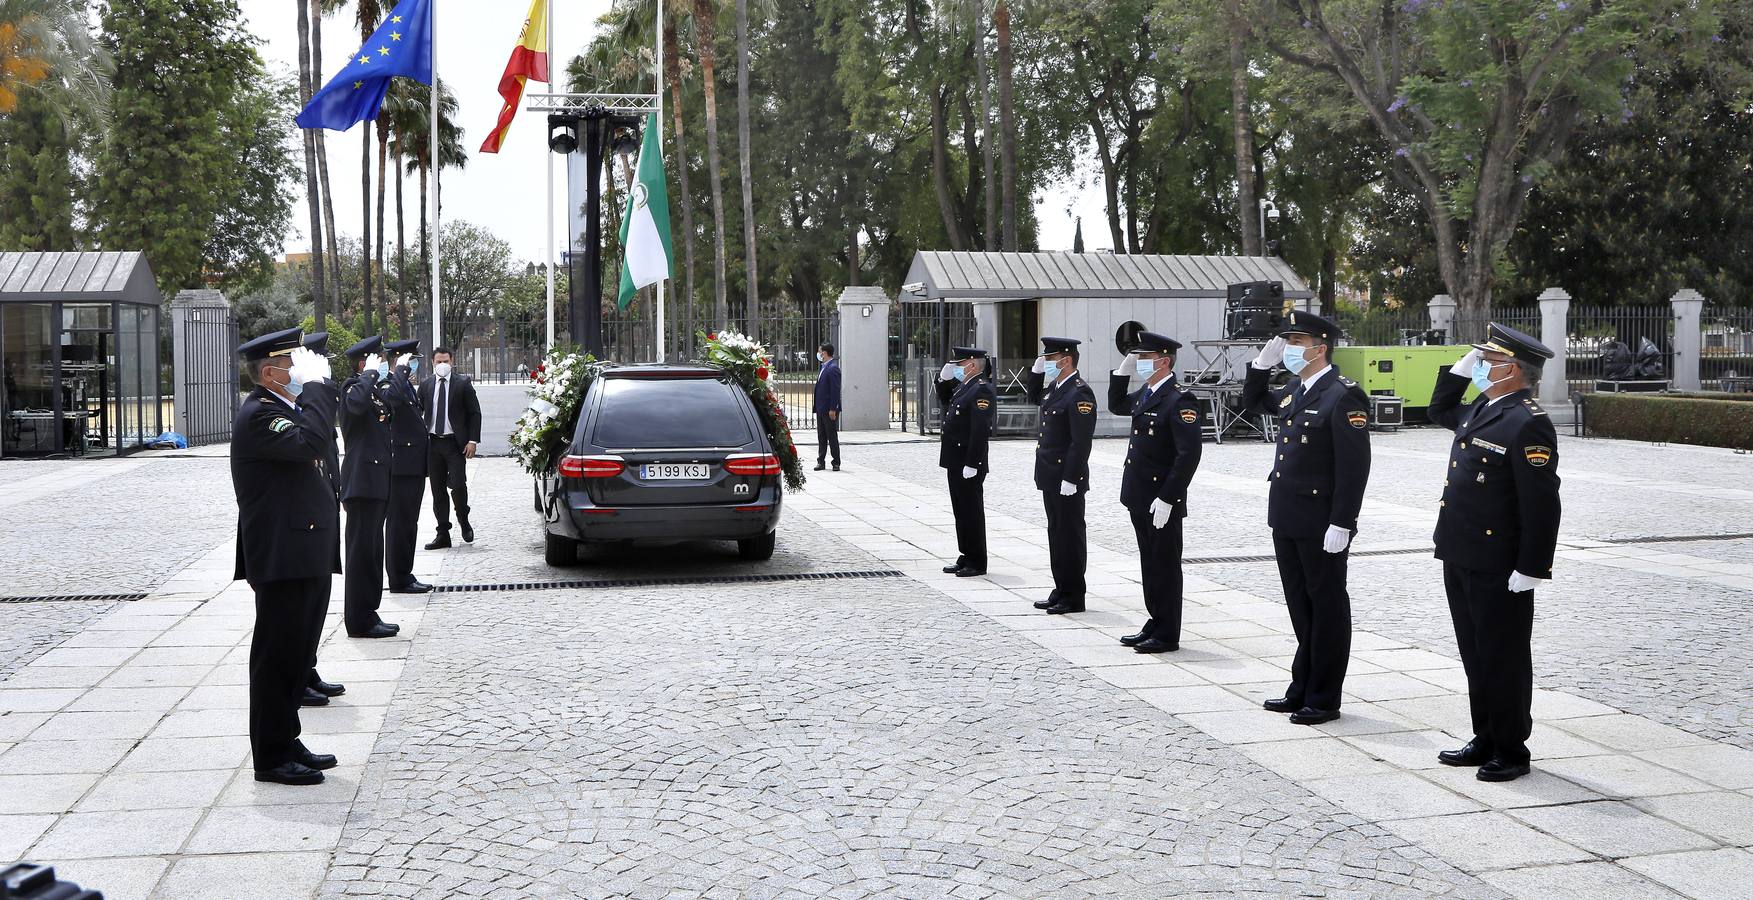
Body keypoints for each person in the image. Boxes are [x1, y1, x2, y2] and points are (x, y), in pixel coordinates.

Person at [1428, 323, 1561, 783]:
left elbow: (1542, 503)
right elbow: (1439, 408)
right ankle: (1484, 735)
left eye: (1487, 361)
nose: (1480, 366)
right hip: (1461, 550)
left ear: (1511, 370)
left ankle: (1511, 748)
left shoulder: (1528, 421)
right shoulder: (1485, 406)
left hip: (1499, 561)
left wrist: (1532, 566)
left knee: (1502, 655)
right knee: (1475, 652)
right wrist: (1459, 372)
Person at [1239, 311, 1371, 726]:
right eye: (1288, 341)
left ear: (1321, 347)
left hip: (1321, 521)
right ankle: (1302, 685)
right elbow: (1253, 404)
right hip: (1288, 514)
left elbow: (1354, 467)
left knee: (1327, 606)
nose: (1291, 349)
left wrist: (1343, 522)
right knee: (1300, 606)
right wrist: (1260, 369)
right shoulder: (1296, 387)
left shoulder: (1343, 395)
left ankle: (1325, 696)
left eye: (1297, 342)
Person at [230, 327, 343, 785]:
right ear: (271, 373)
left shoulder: (281, 406)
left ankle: (287, 737)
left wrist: (310, 394)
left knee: (297, 653)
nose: (299, 372)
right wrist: (317, 389)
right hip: (283, 555)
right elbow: (310, 444)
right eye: (292, 367)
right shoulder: (260, 414)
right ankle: (271, 755)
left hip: (303, 550)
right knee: (277, 657)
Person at [1107, 331, 1203, 653]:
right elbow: (1117, 404)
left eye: (1145, 358)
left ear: (1163, 361)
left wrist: (1168, 497)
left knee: (1165, 564)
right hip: (1139, 496)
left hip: (1161, 499)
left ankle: (1167, 632)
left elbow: (1188, 455)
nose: (1140, 363)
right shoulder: (1147, 393)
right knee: (1149, 562)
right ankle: (1155, 619)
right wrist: (1121, 373)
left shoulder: (1179, 399)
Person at [1025, 337, 1097, 615]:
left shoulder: (1079, 393)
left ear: (1066, 361)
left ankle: (1074, 595)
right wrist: (1035, 371)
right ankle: (1061, 587)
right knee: (1056, 533)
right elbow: (1033, 397)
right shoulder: (1056, 389)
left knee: (1070, 536)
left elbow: (1081, 442)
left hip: (1067, 478)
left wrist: (1072, 478)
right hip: (1050, 475)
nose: (1047, 364)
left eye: (1050, 359)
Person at [338, 336, 400, 640]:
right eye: (377, 360)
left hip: (376, 482)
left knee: (373, 552)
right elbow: (356, 405)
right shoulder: (352, 388)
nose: (382, 365)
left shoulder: (371, 391)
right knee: (361, 554)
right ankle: (358, 619)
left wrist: (378, 381)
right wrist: (368, 376)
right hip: (362, 483)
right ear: (363, 363)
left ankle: (369, 613)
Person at [298, 332, 347, 707]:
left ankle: (307, 668)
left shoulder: (310, 403)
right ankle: (298, 676)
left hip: (321, 515)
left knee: (316, 606)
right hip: (303, 525)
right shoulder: (297, 406)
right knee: (301, 612)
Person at [937, 346, 996, 577]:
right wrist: (942, 379)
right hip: (955, 460)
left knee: (972, 511)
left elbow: (980, 430)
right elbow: (945, 400)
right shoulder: (966, 386)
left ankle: (977, 560)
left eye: (959, 364)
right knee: (960, 511)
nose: (957, 368)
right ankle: (966, 553)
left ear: (971, 365)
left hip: (968, 462)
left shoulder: (981, 390)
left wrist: (972, 463)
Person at [419, 346, 481, 548]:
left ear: (452, 361)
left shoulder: (462, 383)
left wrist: (472, 440)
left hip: (455, 444)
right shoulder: (426, 384)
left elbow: (474, 413)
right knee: (437, 490)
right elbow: (418, 411)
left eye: (446, 361)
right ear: (432, 363)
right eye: (439, 361)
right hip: (433, 443)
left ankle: (463, 519)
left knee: (458, 485)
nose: (442, 365)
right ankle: (443, 532)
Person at [383, 339, 432, 593]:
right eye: (410, 360)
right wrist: (399, 371)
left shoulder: (406, 386)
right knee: (400, 523)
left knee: (409, 523)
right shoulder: (391, 384)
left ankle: (405, 572)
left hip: (413, 466)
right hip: (402, 466)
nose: (413, 365)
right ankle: (398, 577)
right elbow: (392, 399)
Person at [813, 342, 842, 472]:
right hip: (820, 408)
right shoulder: (823, 367)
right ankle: (821, 461)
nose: (819, 354)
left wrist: (833, 409)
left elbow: (835, 390)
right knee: (821, 436)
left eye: (820, 352)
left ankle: (836, 462)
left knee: (832, 436)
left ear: (825, 353)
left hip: (829, 409)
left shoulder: (833, 368)